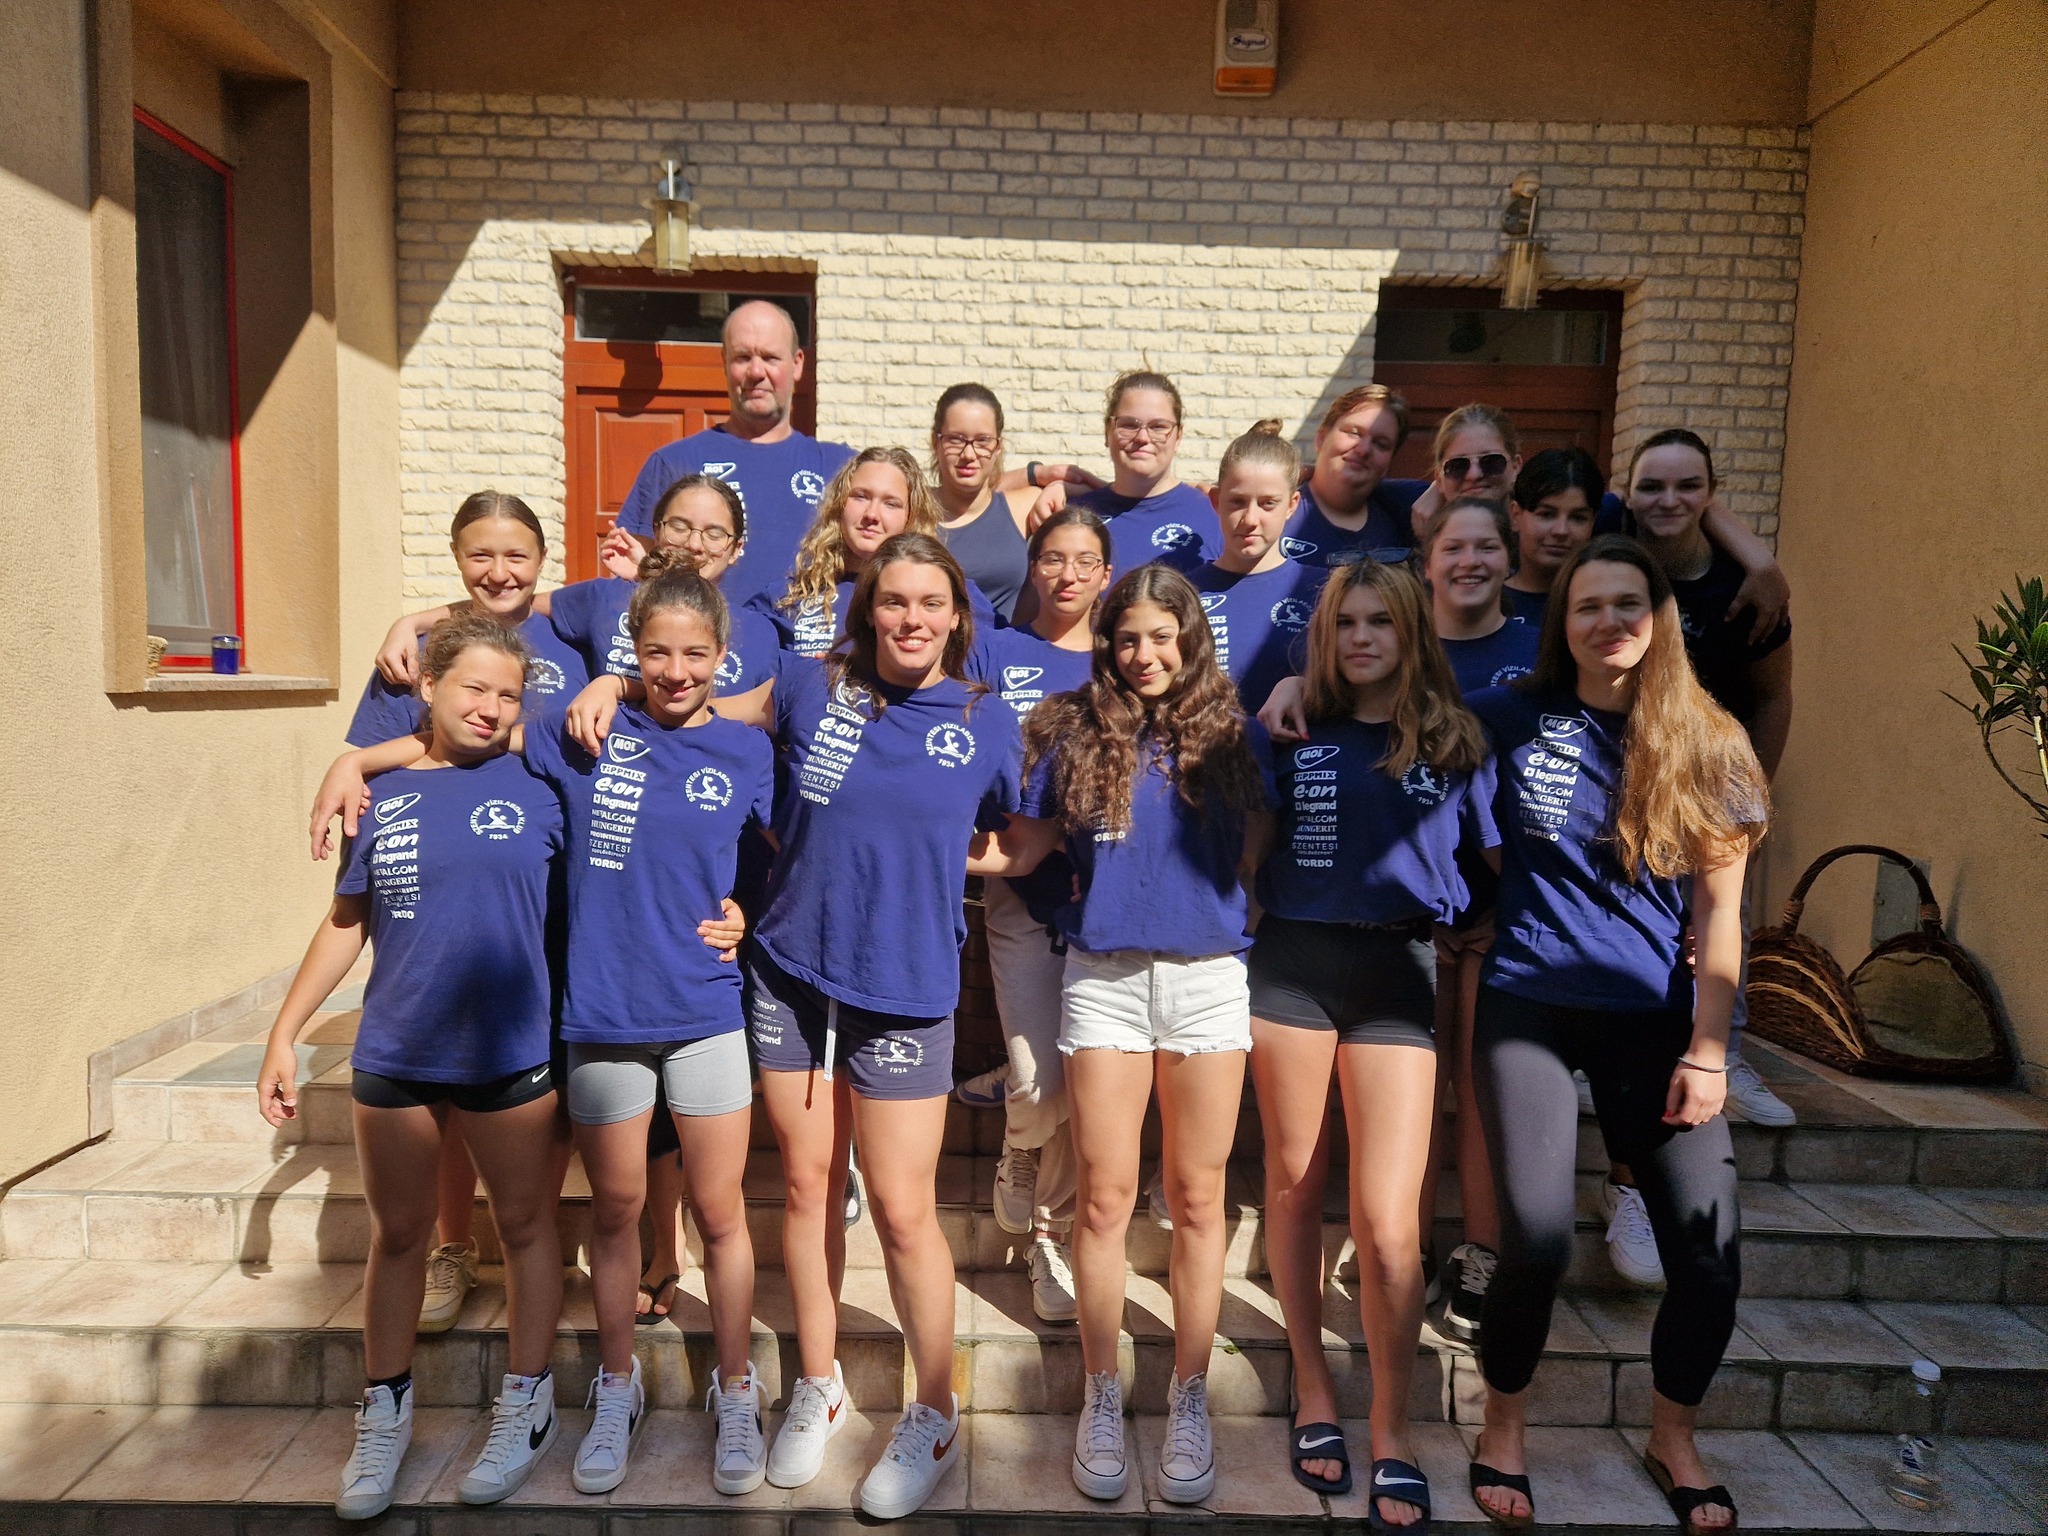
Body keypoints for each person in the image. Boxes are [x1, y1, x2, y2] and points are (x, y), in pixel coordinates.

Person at [323, 569, 777, 1498]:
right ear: (631, 652)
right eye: (656, 653)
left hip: (705, 1011)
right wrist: (354, 764)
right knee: (613, 1212)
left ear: (721, 657)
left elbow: (788, 854)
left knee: (720, 1214)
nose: (677, 670)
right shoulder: (581, 734)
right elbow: (462, 733)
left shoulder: (745, 750)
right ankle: (616, 1389)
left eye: (696, 654)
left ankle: (736, 1391)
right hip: (602, 1016)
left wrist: (748, 915)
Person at [679, 534, 1044, 1520]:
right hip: (791, 974)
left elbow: (1026, 833)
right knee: (807, 1187)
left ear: (957, 616)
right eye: (893, 601)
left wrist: (949, 857)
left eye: (930, 603)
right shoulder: (810, 686)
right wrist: (610, 691)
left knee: (901, 1208)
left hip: (906, 987)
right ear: (866, 609)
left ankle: (934, 1411)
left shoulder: (982, 718)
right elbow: (700, 712)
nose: (910, 619)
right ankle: (820, 1381)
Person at [1463, 535, 1761, 1535]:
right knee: (1538, 1240)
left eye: (1626, 604)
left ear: (1658, 617)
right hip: (1529, 1004)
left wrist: (1709, 1051)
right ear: (1562, 622)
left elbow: (1720, 913)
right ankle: (1503, 1426)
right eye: (1586, 605)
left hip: (1656, 1021)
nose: (1607, 622)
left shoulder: (1710, 741)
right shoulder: (1509, 715)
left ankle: (1673, 1438)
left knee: (1708, 1257)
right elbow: (1406, 732)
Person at [264, 614, 568, 1520]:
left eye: (508, 694)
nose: (491, 707)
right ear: (427, 689)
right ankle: (386, 1413)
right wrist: (285, 1033)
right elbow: (347, 919)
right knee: (399, 1235)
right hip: (398, 1046)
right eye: (472, 687)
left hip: (511, 1048)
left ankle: (528, 1403)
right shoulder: (383, 794)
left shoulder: (546, 780)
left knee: (524, 1226)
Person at [1248, 556, 1495, 1521]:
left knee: (1390, 1228)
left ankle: (1393, 1425)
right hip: (1293, 968)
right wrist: (1279, 693)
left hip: (1399, 973)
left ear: (1409, 632)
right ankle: (1313, 1390)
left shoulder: (1455, 739)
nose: (1361, 638)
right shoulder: (1290, 729)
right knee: (1294, 1183)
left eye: (1379, 622)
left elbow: (1505, 858)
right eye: (1345, 623)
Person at [1021, 565, 1274, 1508]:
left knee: (1200, 1200)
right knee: (1103, 1199)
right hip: (1105, 983)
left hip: (1208, 984)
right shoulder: (1071, 728)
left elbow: (1258, 841)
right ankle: (1101, 1393)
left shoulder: (1237, 734)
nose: (1144, 654)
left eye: (1162, 636)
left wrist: (1232, 904)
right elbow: (1028, 844)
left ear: (1190, 639)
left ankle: (1189, 1394)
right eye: (1128, 637)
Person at [344, 492, 587, 1339]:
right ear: (455, 555)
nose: (500, 571)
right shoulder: (416, 654)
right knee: (449, 1081)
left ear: (542, 561)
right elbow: (397, 757)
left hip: (548, 899)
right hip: (459, 896)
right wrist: (353, 766)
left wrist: (417, 614)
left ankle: (530, 1239)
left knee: (536, 1092)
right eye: (481, 554)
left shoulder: (570, 637)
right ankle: (453, 1243)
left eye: (517, 555)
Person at [958, 507, 1117, 1323]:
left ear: (1106, 575)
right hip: (1019, 885)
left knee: (1082, 1077)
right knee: (1038, 1077)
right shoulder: (995, 649)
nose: (1067, 575)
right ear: (1033, 568)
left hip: (1104, 894)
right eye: (1052, 559)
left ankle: (1050, 1236)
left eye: (1084, 561)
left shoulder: (1121, 661)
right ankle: (1019, 1143)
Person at [1622, 429, 1795, 1137]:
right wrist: (1765, 555)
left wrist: (1755, 794)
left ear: (1712, 495)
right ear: (1627, 493)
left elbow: (1774, 696)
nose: (1668, 500)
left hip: (1714, 773)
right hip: (1625, 766)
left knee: (1722, 919)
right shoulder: (1612, 549)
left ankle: (1729, 1055)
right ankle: (1610, 1047)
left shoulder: (1741, 589)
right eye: (1652, 486)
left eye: (1688, 486)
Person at [611, 300, 854, 602]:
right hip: (708, 632)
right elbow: (634, 580)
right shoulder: (674, 463)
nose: (756, 371)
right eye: (742, 357)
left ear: (797, 363)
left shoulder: (841, 467)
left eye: (770, 357)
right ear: (724, 362)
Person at [748, 446, 996, 656]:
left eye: (891, 503)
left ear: (911, 516)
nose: (872, 515)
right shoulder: (788, 598)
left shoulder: (952, 597)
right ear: (839, 505)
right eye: (861, 497)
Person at [928, 382, 1102, 623]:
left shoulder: (1023, 507)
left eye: (982, 441)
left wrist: (1056, 486)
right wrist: (1033, 473)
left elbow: (1102, 494)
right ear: (935, 442)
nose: (969, 454)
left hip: (1003, 646)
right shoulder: (912, 508)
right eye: (956, 440)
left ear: (998, 447)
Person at [1187, 422, 1328, 713]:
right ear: (1216, 501)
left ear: (1292, 505)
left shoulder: (1325, 591)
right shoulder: (1185, 594)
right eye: (1237, 502)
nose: (1250, 519)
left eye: (1267, 504)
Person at [1037, 371, 1220, 575]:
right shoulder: (1070, 513)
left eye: (1158, 427)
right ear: (1107, 431)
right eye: (1129, 425)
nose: (1142, 437)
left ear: (1178, 437)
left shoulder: (1213, 514)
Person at [1277, 384, 1429, 569]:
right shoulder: (1276, 511)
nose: (1363, 450)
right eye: (1354, 433)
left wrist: (1438, 491)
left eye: (1381, 444)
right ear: (1321, 438)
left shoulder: (1403, 517)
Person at [1503, 448, 1604, 630]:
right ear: (1515, 516)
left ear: (1593, 522)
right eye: (1546, 514)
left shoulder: (1607, 606)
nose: (1561, 531)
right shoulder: (1485, 602)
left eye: (1577, 518)